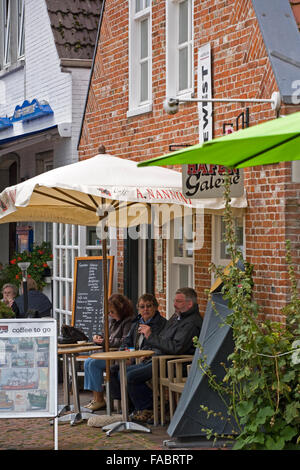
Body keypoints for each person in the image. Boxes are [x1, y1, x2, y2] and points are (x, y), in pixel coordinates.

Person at [127, 287, 203, 423]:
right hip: (159, 358)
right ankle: (146, 407)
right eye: (175, 301)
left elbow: (176, 348)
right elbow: (163, 338)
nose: (174, 304)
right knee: (125, 371)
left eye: (179, 301)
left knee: (131, 376)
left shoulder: (191, 323)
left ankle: (149, 408)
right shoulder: (176, 317)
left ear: (189, 304)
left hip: (175, 364)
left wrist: (150, 335)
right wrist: (151, 353)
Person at [109, 293, 167, 406]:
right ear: (138, 309)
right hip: (135, 359)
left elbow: (160, 345)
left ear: (155, 307)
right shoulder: (137, 324)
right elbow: (126, 342)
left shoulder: (162, 324)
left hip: (149, 360)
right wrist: (128, 354)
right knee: (112, 370)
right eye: (142, 306)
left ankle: (146, 405)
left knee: (126, 374)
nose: (145, 309)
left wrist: (146, 354)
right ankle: (127, 404)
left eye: (149, 306)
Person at [84, 293, 135, 411]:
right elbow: (105, 335)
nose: (110, 315)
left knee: (93, 364)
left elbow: (124, 341)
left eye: (112, 312)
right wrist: (98, 337)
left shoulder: (128, 322)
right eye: (108, 312)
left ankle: (100, 400)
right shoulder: (111, 320)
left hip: (118, 356)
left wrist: (105, 341)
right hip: (107, 353)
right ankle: (96, 397)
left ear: (121, 310)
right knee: (88, 362)